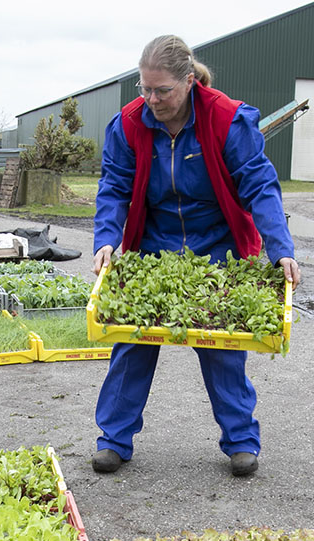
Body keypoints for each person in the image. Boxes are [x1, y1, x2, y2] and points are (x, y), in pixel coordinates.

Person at [91, 34, 301, 478]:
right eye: (144, 89)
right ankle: (113, 440)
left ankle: (241, 442)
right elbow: (113, 188)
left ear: (188, 82)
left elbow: (260, 185)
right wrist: (106, 242)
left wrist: (280, 250)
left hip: (216, 247)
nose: (151, 99)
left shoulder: (226, 120)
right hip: (153, 245)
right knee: (132, 339)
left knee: (223, 344)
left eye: (162, 90)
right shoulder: (129, 124)